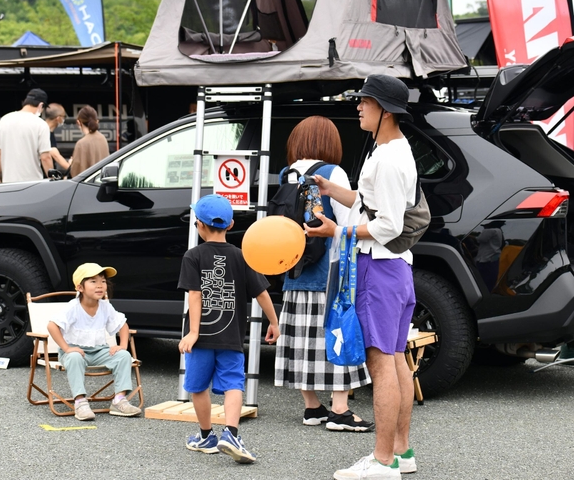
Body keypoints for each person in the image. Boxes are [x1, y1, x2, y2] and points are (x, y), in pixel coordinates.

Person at [306, 75, 419, 480]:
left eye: (365, 102)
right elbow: (369, 205)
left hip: (379, 265)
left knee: (381, 363)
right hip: (398, 267)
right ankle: (401, 454)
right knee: (395, 357)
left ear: (384, 110)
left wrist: (335, 232)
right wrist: (332, 189)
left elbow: (386, 225)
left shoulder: (387, 159)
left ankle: (383, 461)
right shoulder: (393, 150)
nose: (358, 107)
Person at [273, 116, 372, 432]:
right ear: (329, 142)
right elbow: (347, 223)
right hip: (328, 271)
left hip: (293, 267)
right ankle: (340, 410)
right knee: (336, 334)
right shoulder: (332, 173)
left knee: (302, 339)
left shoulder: (286, 174)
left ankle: (312, 407)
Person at [179, 194, 280, 464]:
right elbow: (261, 293)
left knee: (198, 387)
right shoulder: (241, 256)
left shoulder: (193, 256)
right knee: (234, 383)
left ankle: (206, 436)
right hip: (232, 335)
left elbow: (195, 295)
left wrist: (194, 332)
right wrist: (274, 322)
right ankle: (232, 433)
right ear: (231, 224)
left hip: (201, 339)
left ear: (198, 224)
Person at [46, 262, 142, 421]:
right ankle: (80, 402)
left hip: (99, 351)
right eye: (93, 281)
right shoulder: (73, 307)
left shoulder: (105, 306)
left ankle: (119, 400)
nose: (100, 285)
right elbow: (52, 326)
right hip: (75, 352)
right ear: (80, 288)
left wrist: (122, 346)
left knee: (124, 356)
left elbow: (123, 325)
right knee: (75, 357)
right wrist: (67, 348)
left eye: (103, 281)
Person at [0, 88, 52, 184]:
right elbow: (45, 157)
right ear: (41, 105)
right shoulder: (41, 124)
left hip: (8, 183)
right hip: (32, 184)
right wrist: (53, 180)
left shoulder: (5, 119)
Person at [69, 105, 109, 177]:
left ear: (79, 122)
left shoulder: (81, 143)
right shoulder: (103, 139)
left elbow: (76, 173)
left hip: (87, 186)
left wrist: (71, 164)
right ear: (96, 121)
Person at [44, 103, 70, 173]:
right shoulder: (45, 132)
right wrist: (71, 168)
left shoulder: (47, 131)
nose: (64, 119)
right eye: (64, 117)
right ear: (58, 118)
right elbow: (55, 155)